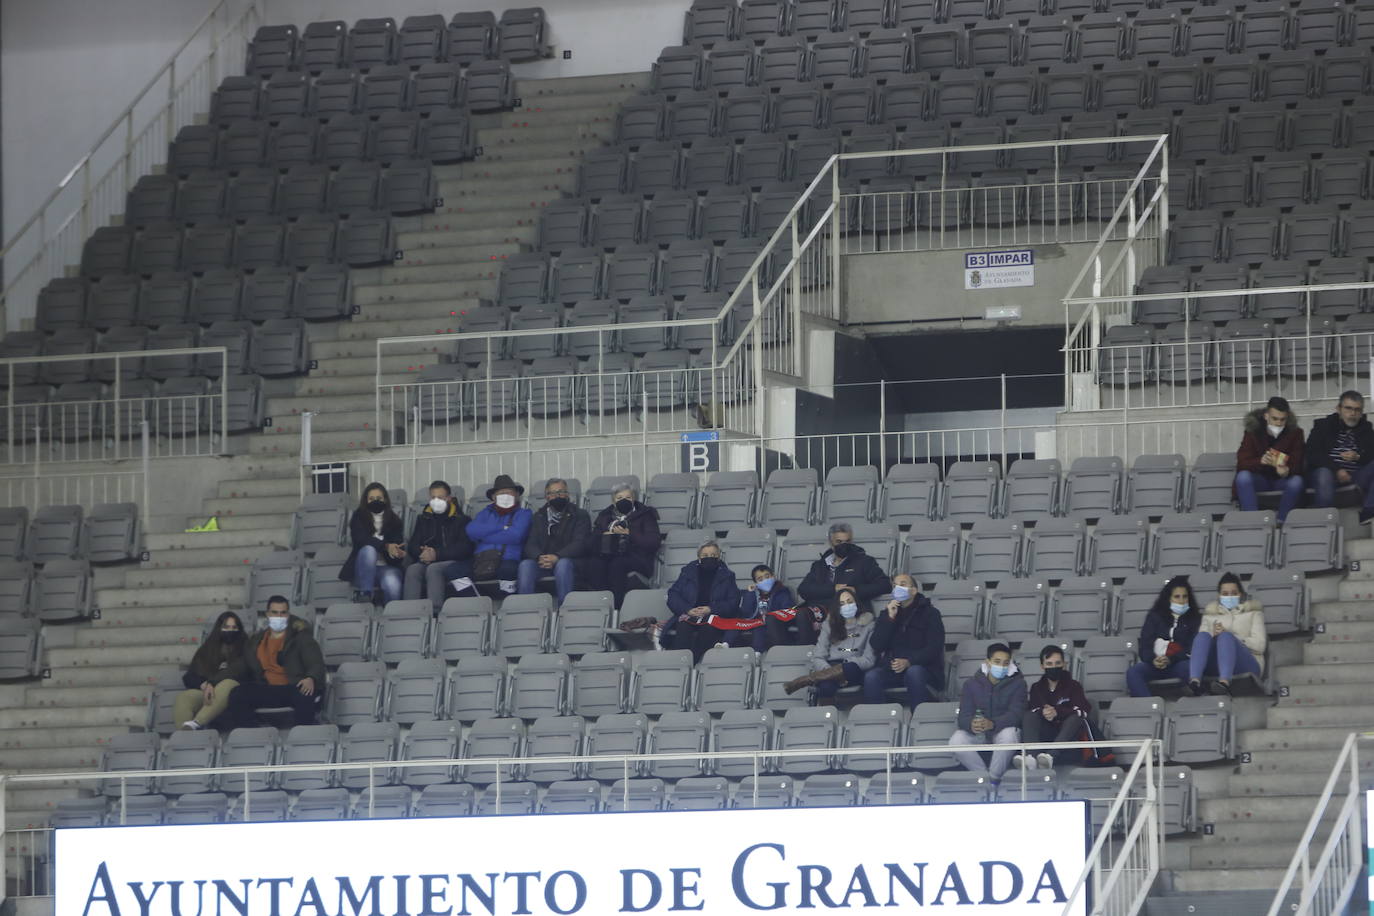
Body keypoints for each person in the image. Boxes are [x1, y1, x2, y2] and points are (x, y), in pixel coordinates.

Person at [224, 596, 326, 728]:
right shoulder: (256, 641)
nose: (279, 616)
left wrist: (310, 677)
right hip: (267, 688)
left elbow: (316, 663)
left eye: (283, 613)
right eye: (275, 612)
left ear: (288, 614)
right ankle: (251, 735)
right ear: (267, 614)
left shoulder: (301, 638)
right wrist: (212, 681)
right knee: (238, 693)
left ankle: (301, 738)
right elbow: (240, 667)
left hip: (292, 687)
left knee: (305, 694)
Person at [862, 573, 944, 709]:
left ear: (914, 590)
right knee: (872, 677)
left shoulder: (931, 613)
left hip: (923, 668)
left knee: (914, 672)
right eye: (895, 585)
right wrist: (890, 619)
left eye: (902, 584)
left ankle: (918, 720)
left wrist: (909, 661)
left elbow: (935, 648)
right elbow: (876, 645)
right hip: (893, 669)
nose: (897, 588)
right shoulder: (887, 613)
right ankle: (878, 722)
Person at [948, 642, 1026, 783]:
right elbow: (963, 716)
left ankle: (994, 778)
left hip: (1001, 730)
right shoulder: (971, 684)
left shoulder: (1018, 683)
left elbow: (1017, 714)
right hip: (979, 732)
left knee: (1010, 736)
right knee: (956, 740)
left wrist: (993, 724)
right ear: (988, 662)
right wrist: (971, 724)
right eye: (997, 662)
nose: (1001, 666)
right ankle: (983, 777)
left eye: (1005, 663)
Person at [783, 588, 875, 698]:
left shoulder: (869, 625)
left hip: (855, 670)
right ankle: (825, 713)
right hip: (830, 668)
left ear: (857, 603)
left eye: (850, 602)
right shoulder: (829, 625)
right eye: (842, 604)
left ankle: (804, 680)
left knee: (850, 667)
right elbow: (818, 657)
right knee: (826, 685)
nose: (847, 606)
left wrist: (846, 663)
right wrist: (828, 671)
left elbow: (869, 660)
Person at [1187, 572, 1266, 696]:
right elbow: (1200, 646)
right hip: (1216, 663)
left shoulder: (1253, 614)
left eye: (1234, 593)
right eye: (1225, 594)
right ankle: (1195, 682)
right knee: (1202, 636)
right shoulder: (1209, 616)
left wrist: (1233, 638)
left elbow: (1260, 645)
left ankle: (1224, 683)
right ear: (1219, 596)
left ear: (1240, 594)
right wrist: (1214, 637)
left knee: (1225, 636)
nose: (1229, 597)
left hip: (1247, 662)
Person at [453, 474, 533, 596]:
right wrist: (502, 528)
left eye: (509, 492)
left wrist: (484, 535)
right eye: (501, 493)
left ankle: (508, 605)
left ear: (517, 495)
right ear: (494, 497)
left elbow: (516, 536)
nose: (505, 496)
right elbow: (471, 531)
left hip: (508, 558)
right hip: (481, 559)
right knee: (453, 571)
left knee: (508, 570)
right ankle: (476, 603)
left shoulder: (524, 513)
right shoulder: (485, 513)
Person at [1016, 645, 1093, 770]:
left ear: (1064, 664)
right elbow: (1034, 709)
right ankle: (1031, 757)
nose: (1053, 667)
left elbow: (1083, 711)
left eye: (1057, 663)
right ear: (1042, 666)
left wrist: (1057, 712)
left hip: (1068, 733)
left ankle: (1051, 756)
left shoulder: (1074, 686)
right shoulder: (1037, 687)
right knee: (1029, 715)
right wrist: (1044, 712)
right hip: (1046, 731)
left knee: (1075, 718)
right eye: (1049, 663)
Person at [663, 539, 743, 661]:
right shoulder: (687, 572)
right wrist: (688, 609)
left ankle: (699, 663)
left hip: (713, 616)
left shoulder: (728, 576)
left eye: (713, 555)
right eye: (705, 555)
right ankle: (681, 662)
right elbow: (673, 595)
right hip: (689, 614)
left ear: (719, 556)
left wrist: (711, 609)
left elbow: (733, 602)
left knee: (709, 629)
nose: (709, 558)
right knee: (683, 627)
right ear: (699, 557)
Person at [518, 478, 593, 604]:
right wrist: (539, 557)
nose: (557, 496)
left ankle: (564, 609)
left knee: (563, 564)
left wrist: (557, 557)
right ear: (546, 497)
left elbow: (580, 543)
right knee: (525, 565)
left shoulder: (580, 514)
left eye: (561, 492)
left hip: (571, 561)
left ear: (567, 494)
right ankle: (525, 609)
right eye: (552, 493)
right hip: (544, 562)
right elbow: (530, 543)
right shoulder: (539, 516)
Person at [403, 480, 473, 614]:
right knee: (413, 569)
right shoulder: (423, 519)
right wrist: (422, 554)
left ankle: (435, 613)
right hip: (427, 560)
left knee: (434, 569)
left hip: (452, 561)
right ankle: (410, 612)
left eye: (440, 497)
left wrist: (437, 554)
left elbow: (465, 548)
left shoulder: (462, 520)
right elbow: (413, 545)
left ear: (449, 498)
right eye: (433, 497)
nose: (436, 501)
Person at [1126, 575, 1203, 697]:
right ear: (1168, 598)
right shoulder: (1154, 616)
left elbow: (1192, 648)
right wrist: (1153, 659)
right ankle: (1149, 709)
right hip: (1155, 664)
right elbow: (1145, 646)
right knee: (1133, 672)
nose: (1181, 601)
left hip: (1179, 664)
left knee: (1190, 669)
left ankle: (1192, 706)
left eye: (1185, 596)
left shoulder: (1195, 619)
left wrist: (1171, 659)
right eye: (1177, 597)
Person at [173, 611, 248, 730]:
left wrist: (213, 683)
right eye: (226, 627)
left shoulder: (246, 647)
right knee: (185, 697)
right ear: (219, 628)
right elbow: (189, 676)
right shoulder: (207, 649)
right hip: (207, 692)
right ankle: (183, 736)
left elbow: (242, 671)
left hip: (235, 692)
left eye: (234, 627)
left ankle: (197, 723)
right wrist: (203, 684)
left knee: (227, 683)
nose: (230, 631)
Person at [1306, 391, 1374, 522]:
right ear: (1339, 409)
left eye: (1357, 410)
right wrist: (1336, 469)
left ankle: (1368, 511)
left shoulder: (1366, 428)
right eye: (1348, 408)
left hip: (1355, 476)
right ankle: (1325, 521)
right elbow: (1312, 453)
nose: (1353, 414)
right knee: (1323, 473)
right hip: (1327, 474)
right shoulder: (1323, 425)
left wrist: (1358, 456)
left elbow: (1371, 454)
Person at [1235, 395, 1305, 521]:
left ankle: (1282, 522)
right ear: (1266, 416)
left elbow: (1299, 461)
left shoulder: (1295, 433)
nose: (1278, 423)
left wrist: (1288, 470)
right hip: (1260, 479)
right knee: (1243, 477)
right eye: (1275, 419)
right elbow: (1242, 462)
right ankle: (1253, 523)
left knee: (1297, 481)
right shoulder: (1253, 431)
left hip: (1281, 480)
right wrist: (1260, 461)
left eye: (1282, 420)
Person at [591, 482, 661, 606]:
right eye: (619, 498)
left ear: (634, 499)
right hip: (609, 555)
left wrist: (630, 534)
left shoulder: (646, 514)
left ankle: (617, 606)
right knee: (596, 564)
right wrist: (604, 536)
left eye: (628, 498)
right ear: (613, 501)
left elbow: (653, 542)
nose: (624, 501)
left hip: (639, 558)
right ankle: (601, 604)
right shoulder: (604, 516)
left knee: (617, 563)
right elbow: (592, 542)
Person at [338, 483, 405, 605]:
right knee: (369, 549)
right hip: (362, 569)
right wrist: (385, 546)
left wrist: (397, 553)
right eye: (371, 499)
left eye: (379, 498)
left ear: (385, 499)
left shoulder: (394, 521)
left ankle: (390, 614)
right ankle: (366, 595)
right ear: (366, 501)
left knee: (392, 582)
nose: (376, 501)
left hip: (386, 568)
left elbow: (397, 547)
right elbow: (361, 540)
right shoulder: (358, 517)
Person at [797, 522, 892, 607]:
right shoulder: (820, 565)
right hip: (816, 609)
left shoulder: (864, 562)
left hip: (845, 611)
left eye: (847, 541)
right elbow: (803, 589)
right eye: (839, 542)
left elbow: (885, 585)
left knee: (802, 617)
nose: (843, 545)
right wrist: (833, 589)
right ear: (830, 543)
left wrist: (855, 590)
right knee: (783, 616)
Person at [744, 564, 796, 651]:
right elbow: (746, 612)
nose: (765, 580)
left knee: (768, 623)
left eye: (767, 577)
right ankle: (757, 654)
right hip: (758, 624)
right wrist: (749, 594)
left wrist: (769, 616)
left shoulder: (782, 591)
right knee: (758, 627)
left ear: (773, 576)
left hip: (777, 622)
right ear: (756, 583)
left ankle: (779, 652)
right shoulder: (754, 593)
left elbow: (787, 609)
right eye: (760, 579)